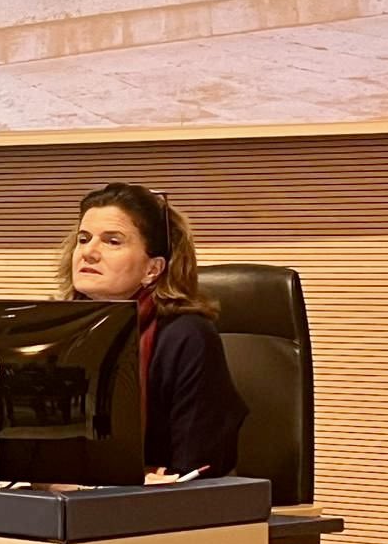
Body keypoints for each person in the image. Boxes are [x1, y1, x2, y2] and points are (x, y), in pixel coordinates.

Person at [58, 183, 247, 477]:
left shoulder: (186, 337)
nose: (88, 253)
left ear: (152, 269)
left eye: (112, 241)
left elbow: (197, 468)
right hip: (68, 497)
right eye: (83, 239)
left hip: (160, 502)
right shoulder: (61, 331)